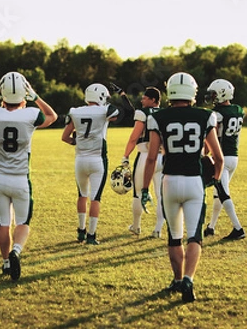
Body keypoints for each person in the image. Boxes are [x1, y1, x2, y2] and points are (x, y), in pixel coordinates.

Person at [142, 72, 225, 303]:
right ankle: (188, 278)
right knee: (195, 236)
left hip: (169, 181)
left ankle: (177, 279)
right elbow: (218, 157)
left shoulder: (158, 117)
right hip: (194, 182)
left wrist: (144, 189)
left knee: (174, 237)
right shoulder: (206, 116)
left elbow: (151, 159)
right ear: (192, 92)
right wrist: (216, 179)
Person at [0, 71, 58, 281]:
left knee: (3, 223)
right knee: (22, 223)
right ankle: (16, 251)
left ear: (3, 96)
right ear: (23, 95)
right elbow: (52, 117)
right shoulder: (30, 114)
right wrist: (35, 97)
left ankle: (5, 263)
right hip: (20, 179)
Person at [61, 83, 131, 245]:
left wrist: (76, 142)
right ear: (100, 97)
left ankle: (80, 231)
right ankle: (91, 235)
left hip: (80, 160)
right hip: (97, 160)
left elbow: (65, 137)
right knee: (95, 198)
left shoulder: (75, 112)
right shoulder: (105, 110)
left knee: (82, 195)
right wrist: (122, 94)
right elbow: (127, 112)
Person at [203, 79, 246, 241]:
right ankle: (211, 226)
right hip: (234, 156)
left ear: (221, 94)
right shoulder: (238, 110)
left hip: (220, 157)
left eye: (214, 94)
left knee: (223, 193)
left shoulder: (217, 114)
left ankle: (238, 228)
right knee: (218, 193)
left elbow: (210, 138)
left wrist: (203, 153)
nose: (212, 97)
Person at [122, 87, 164, 238]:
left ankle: (136, 226)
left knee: (138, 193)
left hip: (146, 156)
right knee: (161, 195)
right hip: (163, 158)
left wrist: (126, 155)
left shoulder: (142, 113)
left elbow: (134, 137)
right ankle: (158, 229)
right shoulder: (165, 113)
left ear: (153, 100)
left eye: (145, 98)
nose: (142, 100)